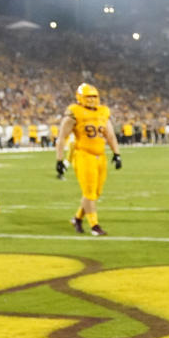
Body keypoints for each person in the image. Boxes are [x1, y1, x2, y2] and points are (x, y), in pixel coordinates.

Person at [55, 83, 122, 236]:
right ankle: (94, 225)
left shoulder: (103, 112)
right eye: (88, 97)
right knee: (89, 192)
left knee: (95, 193)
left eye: (94, 96)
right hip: (84, 155)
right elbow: (61, 138)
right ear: (80, 97)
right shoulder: (74, 112)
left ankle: (77, 218)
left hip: (101, 156)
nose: (92, 100)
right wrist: (60, 160)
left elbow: (110, 135)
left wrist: (116, 154)